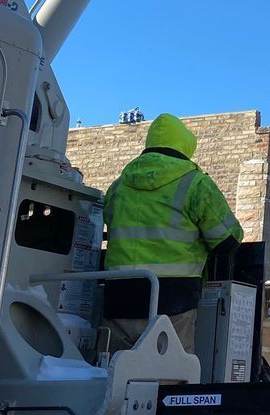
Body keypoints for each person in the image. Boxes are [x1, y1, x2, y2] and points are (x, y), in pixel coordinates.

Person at [101, 112, 243, 354]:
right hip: (172, 301)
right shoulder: (195, 183)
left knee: (118, 376)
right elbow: (228, 240)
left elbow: (109, 224)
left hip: (119, 299)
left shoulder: (118, 186)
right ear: (185, 145)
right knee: (171, 378)